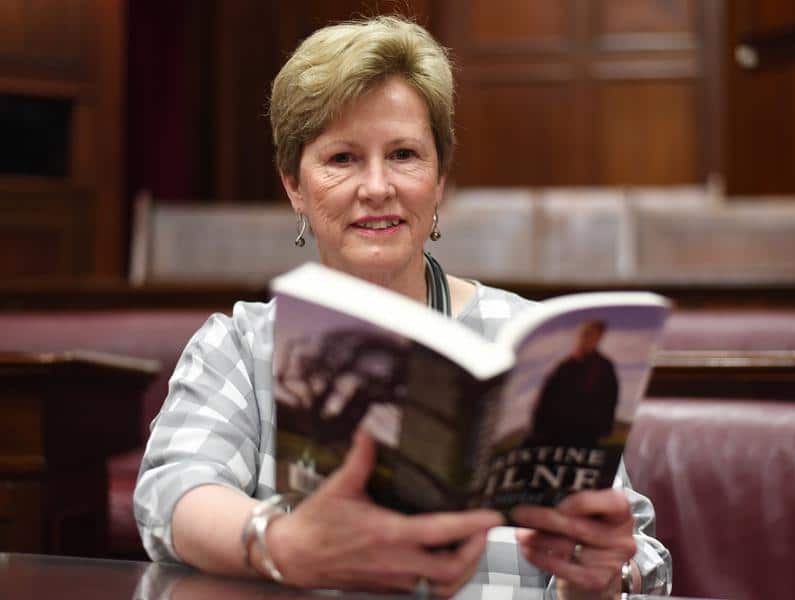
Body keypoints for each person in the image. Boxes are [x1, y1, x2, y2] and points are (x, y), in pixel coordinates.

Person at [134, 15, 671, 598]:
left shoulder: (532, 340)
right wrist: (284, 543)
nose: (376, 187)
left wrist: (595, 579)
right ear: (294, 185)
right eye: (341, 158)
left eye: (404, 154)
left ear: (439, 178)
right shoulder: (240, 344)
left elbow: (633, 554)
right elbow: (172, 496)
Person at [529, 320, 619, 446]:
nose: (588, 339)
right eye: (586, 334)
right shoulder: (564, 366)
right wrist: (538, 428)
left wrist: (604, 429)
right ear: (579, 336)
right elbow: (545, 398)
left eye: (594, 336)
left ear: (599, 339)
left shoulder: (604, 366)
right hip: (555, 430)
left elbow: (610, 399)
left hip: (586, 432)